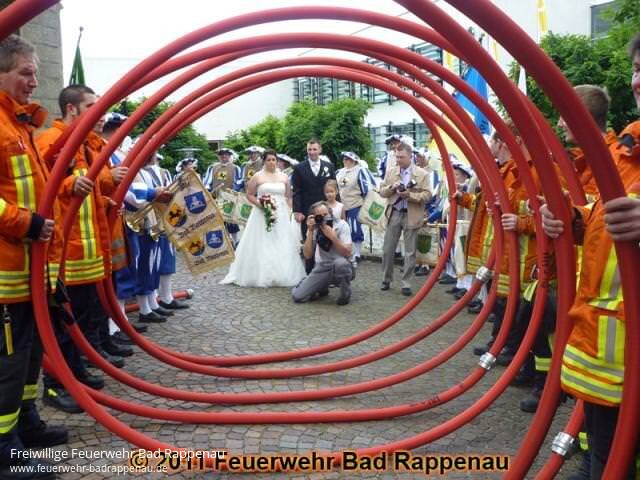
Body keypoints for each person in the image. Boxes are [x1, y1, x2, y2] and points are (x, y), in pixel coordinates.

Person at [539, 35, 640, 479]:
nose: (638, 81)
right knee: (607, 454)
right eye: (637, 69)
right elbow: (604, 216)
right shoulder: (628, 152)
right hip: (609, 353)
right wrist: (572, 220)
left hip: (623, 352)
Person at [37, 85, 130, 413]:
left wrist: (106, 191)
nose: (99, 113)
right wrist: (69, 184)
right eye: (92, 106)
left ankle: (78, 369)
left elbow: (90, 187)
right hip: (65, 252)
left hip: (88, 249)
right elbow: (43, 186)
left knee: (85, 312)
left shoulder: (87, 146)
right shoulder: (51, 141)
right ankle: (59, 381)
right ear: (72, 109)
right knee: (64, 320)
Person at [0, 34, 67, 479]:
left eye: (36, 73)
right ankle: (4, 450)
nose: (35, 81)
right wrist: (26, 223)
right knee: (7, 363)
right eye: (26, 72)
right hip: (5, 275)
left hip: (30, 273)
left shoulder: (19, 126)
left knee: (27, 357)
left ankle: (24, 425)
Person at [221, 149, 305, 287]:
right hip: (262, 213)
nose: (271, 162)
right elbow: (249, 194)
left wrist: (290, 210)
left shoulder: (284, 177)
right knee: (262, 240)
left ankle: (282, 272)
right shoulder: (258, 176)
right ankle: (260, 272)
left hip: (281, 213)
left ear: (277, 161)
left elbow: (289, 196)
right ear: (264, 161)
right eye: (268, 160)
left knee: (281, 240)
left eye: (273, 160)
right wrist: (261, 205)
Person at [379, 141, 432, 296]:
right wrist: (392, 188)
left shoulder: (422, 174)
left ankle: (406, 283)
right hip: (395, 212)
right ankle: (386, 279)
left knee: (410, 252)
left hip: (412, 214)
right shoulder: (391, 172)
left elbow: (428, 195)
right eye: (397, 157)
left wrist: (410, 195)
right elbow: (381, 192)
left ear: (410, 157)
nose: (398, 160)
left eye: (401, 157)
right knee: (388, 249)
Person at [292, 201, 353, 305]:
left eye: (325, 214)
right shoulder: (314, 227)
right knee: (298, 296)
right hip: (323, 266)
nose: (323, 218)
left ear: (330, 213)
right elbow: (307, 255)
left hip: (342, 265)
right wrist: (310, 231)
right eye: (320, 216)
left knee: (340, 264)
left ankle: (345, 295)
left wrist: (333, 237)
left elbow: (348, 253)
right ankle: (320, 286)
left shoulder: (341, 225)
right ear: (314, 217)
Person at [291, 139, 336, 271]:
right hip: (307, 211)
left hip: (325, 210)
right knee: (309, 241)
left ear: (320, 150)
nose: (312, 152)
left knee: (327, 240)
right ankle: (309, 273)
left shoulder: (329, 166)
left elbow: (334, 188)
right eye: (309, 149)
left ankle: (327, 272)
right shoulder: (299, 168)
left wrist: (335, 206)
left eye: (314, 149)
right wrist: (297, 211)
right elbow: (296, 191)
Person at [336, 151, 371, 263]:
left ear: (353, 160)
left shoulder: (360, 171)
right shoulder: (339, 172)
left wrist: (366, 204)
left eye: (347, 159)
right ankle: (345, 252)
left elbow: (367, 189)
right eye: (344, 159)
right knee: (342, 229)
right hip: (341, 206)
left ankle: (356, 254)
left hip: (355, 205)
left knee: (355, 229)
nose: (344, 160)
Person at [203, 147, 242, 245]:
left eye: (226, 154)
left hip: (230, 198)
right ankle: (222, 244)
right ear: (218, 156)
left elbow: (239, 181)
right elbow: (207, 182)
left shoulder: (235, 168)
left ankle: (235, 242)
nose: (223, 156)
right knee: (217, 221)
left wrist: (233, 191)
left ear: (229, 156)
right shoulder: (212, 167)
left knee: (231, 222)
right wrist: (209, 192)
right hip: (216, 198)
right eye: (221, 154)